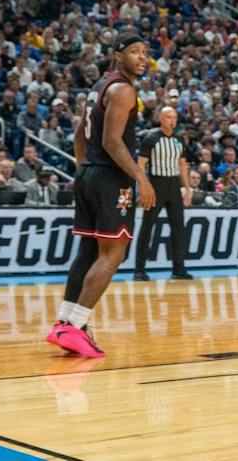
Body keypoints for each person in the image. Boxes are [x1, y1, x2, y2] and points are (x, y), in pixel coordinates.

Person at [46, 34, 156, 358]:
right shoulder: (124, 90)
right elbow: (111, 141)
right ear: (117, 55)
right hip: (110, 178)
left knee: (88, 251)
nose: (141, 57)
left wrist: (84, 170)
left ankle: (64, 321)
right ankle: (77, 325)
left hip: (90, 174)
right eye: (134, 51)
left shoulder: (100, 86)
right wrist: (141, 179)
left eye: (145, 52)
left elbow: (81, 132)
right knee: (113, 253)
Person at [134, 105, 193, 281]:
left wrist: (187, 188)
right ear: (160, 118)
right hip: (155, 184)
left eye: (174, 117)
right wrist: (143, 186)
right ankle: (139, 269)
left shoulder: (178, 140)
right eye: (168, 117)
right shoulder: (150, 138)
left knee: (178, 228)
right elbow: (141, 164)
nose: (172, 121)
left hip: (174, 185)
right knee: (147, 227)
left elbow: (182, 165)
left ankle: (179, 268)